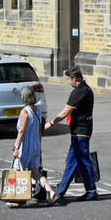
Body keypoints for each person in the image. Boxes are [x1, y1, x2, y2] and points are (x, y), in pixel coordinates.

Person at [46, 66, 99, 203]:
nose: (68, 82)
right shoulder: (86, 89)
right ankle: (89, 191)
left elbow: (65, 112)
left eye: (68, 79)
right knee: (73, 161)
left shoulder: (80, 91)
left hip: (81, 132)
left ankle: (60, 192)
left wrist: (51, 123)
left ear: (74, 78)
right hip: (81, 131)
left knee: (79, 161)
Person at [10, 85, 57, 207]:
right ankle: (51, 191)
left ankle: (18, 199)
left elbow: (21, 131)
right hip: (36, 145)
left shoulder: (25, 112)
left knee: (17, 171)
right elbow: (39, 130)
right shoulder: (38, 110)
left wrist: (16, 147)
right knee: (36, 172)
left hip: (25, 147)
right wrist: (39, 145)